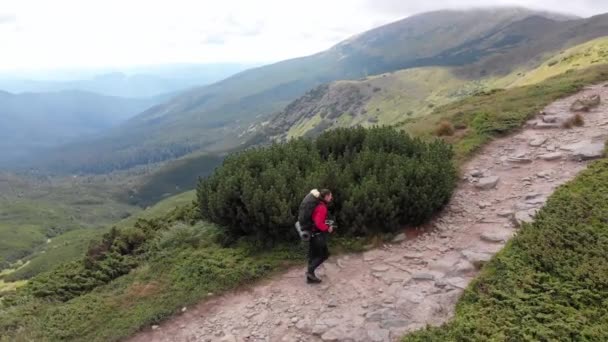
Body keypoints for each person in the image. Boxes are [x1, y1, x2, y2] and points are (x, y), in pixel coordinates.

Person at [306, 189, 333, 284]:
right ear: (326, 196)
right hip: (318, 235)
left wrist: (328, 224)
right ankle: (310, 272)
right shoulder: (322, 207)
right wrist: (327, 228)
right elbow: (318, 223)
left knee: (313, 256)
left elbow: (316, 220)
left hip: (313, 234)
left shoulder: (317, 205)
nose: (331, 197)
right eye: (330, 196)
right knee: (323, 255)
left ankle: (310, 277)